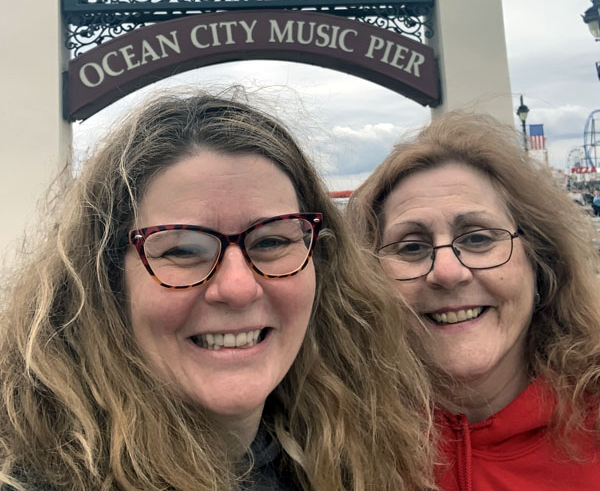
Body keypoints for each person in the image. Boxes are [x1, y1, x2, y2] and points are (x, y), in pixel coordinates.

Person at [0, 91, 435, 491]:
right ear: (106, 282)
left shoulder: (355, 451)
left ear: (322, 263)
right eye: (184, 250)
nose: (238, 288)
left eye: (271, 242)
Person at [349, 111, 600, 491]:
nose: (448, 273)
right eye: (412, 247)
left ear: (539, 260)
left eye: (479, 238)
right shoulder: (331, 445)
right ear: (369, 279)